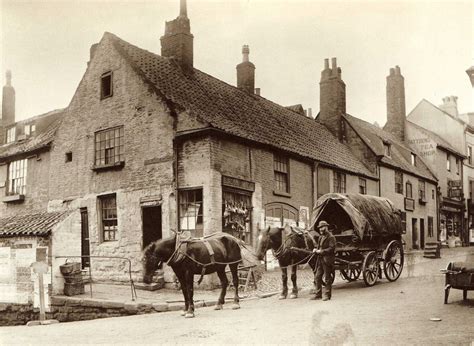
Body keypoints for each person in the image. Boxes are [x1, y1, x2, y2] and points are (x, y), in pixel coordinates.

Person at [311, 220, 336, 301]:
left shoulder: (331, 237)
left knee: (327, 278)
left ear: (326, 227)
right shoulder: (321, 237)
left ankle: (327, 295)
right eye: (320, 228)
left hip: (327, 260)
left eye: (322, 227)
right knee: (317, 277)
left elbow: (332, 249)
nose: (320, 229)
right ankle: (318, 294)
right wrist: (316, 249)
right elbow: (319, 247)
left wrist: (321, 251)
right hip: (320, 259)